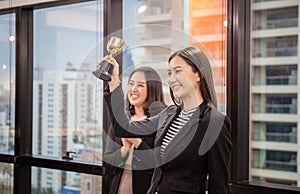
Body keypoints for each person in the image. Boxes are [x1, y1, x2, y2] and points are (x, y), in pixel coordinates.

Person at [101, 46, 232, 194]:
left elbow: (219, 185)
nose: (171, 79)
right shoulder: (168, 114)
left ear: (198, 74)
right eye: (170, 73)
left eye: (178, 71)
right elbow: (122, 128)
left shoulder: (214, 122)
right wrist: (114, 82)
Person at [104, 66, 166, 194]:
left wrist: (137, 141)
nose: (133, 89)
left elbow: (160, 165)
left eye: (140, 85)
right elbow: (108, 164)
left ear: (153, 88)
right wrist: (124, 149)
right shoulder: (121, 120)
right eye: (131, 84)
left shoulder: (163, 120)